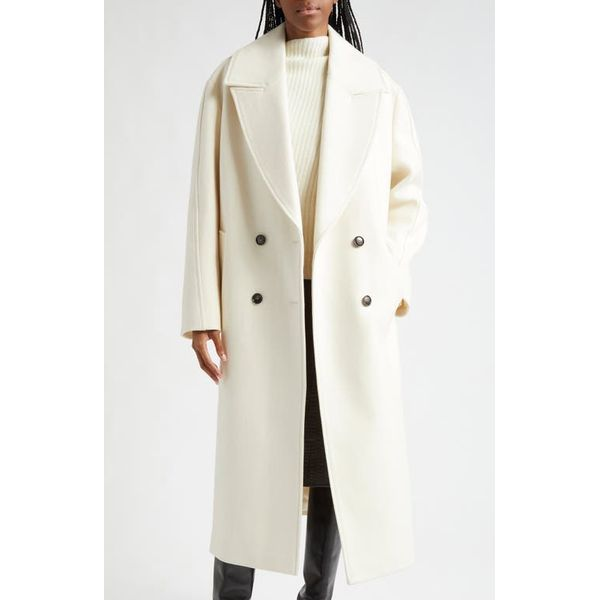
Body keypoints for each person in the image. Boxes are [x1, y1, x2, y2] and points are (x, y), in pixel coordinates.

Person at [181, 1, 428, 598]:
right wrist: (203, 309)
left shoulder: (377, 86)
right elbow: (205, 200)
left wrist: (384, 277)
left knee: (335, 461)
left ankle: (317, 595)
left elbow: (408, 197)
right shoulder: (232, 79)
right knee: (250, 466)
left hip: (346, 307)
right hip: (260, 305)